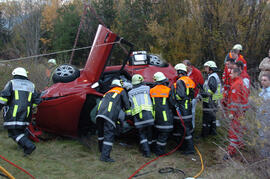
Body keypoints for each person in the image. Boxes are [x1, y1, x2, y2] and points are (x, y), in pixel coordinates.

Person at [0, 67, 42, 156]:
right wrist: (30, 107)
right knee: (22, 130)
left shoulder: (12, 83)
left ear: (15, 74)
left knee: (13, 133)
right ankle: (23, 146)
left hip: (13, 113)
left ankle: (29, 146)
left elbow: (3, 97)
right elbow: (37, 100)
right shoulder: (31, 85)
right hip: (27, 114)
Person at [96, 79, 130, 162]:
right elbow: (126, 104)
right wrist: (129, 115)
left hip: (99, 115)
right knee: (109, 135)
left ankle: (101, 150)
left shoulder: (108, 92)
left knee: (101, 134)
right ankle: (105, 157)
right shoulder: (121, 90)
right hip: (109, 115)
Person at [170, 63, 195, 154]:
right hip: (188, 107)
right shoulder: (189, 80)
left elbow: (181, 95)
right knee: (187, 127)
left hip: (182, 108)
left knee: (185, 129)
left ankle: (190, 149)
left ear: (180, 71)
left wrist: (174, 96)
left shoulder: (180, 81)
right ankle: (185, 146)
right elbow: (192, 94)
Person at [224, 68, 249, 159]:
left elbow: (235, 101)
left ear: (236, 73)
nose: (230, 75)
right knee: (240, 130)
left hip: (237, 113)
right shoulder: (239, 82)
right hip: (241, 112)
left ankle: (231, 152)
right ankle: (240, 147)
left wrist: (231, 113)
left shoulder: (237, 84)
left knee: (233, 131)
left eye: (231, 74)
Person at [128, 74, 154, 157]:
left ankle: (147, 152)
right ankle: (151, 148)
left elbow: (130, 104)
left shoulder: (130, 93)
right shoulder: (147, 88)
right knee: (149, 132)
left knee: (142, 134)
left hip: (138, 117)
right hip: (149, 115)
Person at [150, 72, 174, 156]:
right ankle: (159, 151)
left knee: (156, 132)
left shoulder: (151, 90)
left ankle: (153, 148)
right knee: (164, 132)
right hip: (165, 115)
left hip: (155, 115)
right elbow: (172, 104)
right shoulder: (168, 90)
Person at [201, 61, 222, 137]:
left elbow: (212, 89)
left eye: (206, 67)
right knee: (212, 118)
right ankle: (212, 133)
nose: (205, 69)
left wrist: (204, 94)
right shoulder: (213, 76)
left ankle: (205, 134)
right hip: (214, 100)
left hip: (210, 101)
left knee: (206, 119)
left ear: (211, 68)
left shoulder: (212, 77)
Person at [182, 60, 204, 129]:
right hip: (185, 96)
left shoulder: (196, 72)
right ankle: (185, 126)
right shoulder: (184, 72)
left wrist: (198, 95)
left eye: (184, 66)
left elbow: (201, 84)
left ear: (189, 66)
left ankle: (192, 127)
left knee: (192, 111)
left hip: (194, 95)